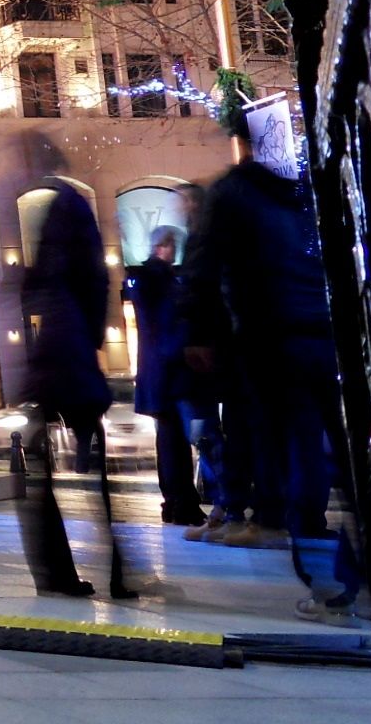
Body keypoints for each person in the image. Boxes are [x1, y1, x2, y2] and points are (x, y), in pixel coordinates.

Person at [182, 136, 360, 619]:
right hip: (325, 331)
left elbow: (202, 264)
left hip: (271, 337)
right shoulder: (310, 187)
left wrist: (199, 331)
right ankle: (359, 574)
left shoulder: (235, 192)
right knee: (343, 457)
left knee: (290, 452)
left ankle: (328, 583)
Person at [14, 131, 132, 598]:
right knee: (85, 477)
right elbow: (90, 284)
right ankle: (108, 574)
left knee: (48, 476)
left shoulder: (63, 208)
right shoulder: (70, 207)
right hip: (70, 356)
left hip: (64, 358)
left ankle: (60, 574)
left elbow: (65, 283)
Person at [133, 224, 205, 525]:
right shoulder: (160, 279)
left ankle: (176, 502)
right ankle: (182, 503)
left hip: (158, 374)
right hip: (170, 374)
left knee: (171, 440)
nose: (173, 249)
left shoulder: (149, 278)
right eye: (170, 244)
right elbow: (167, 326)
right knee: (179, 440)